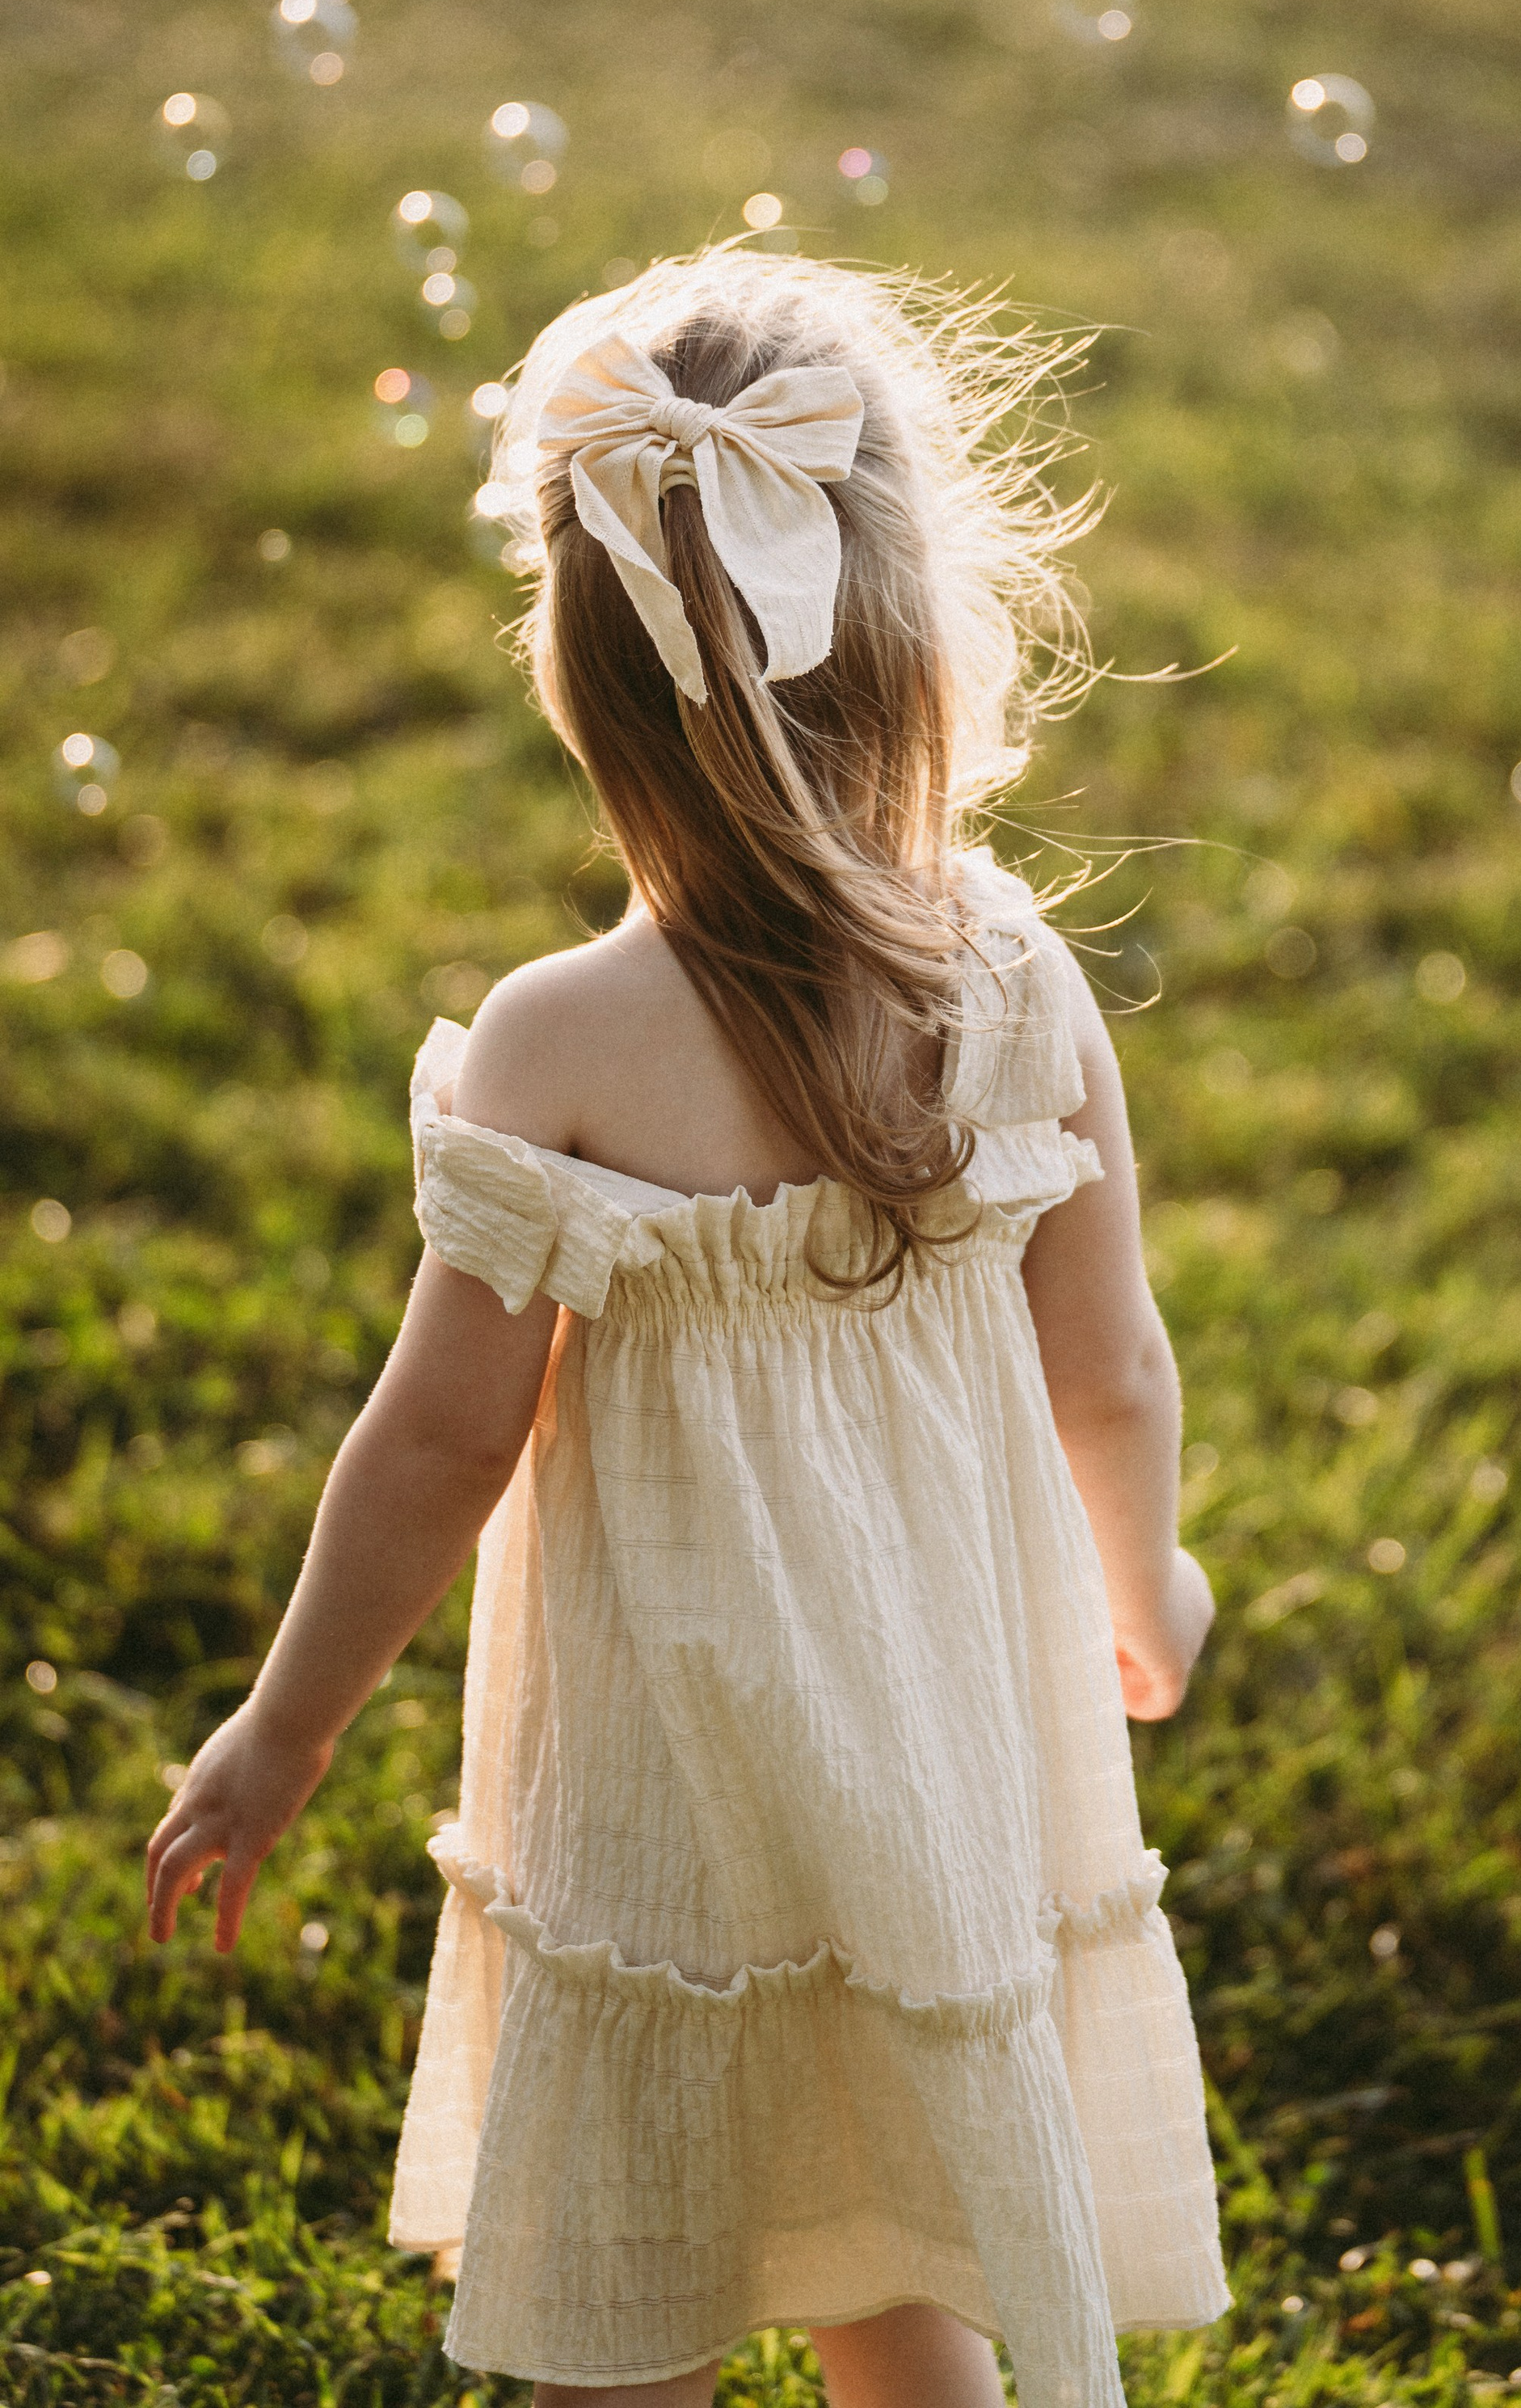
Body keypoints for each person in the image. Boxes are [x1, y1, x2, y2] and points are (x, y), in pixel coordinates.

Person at [144, 249, 1228, 2408]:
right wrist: (1147, 1581)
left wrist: (287, 1729)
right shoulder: (1013, 984)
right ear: (927, 639)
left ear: (580, 674)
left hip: (664, 1770)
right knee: (891, 2222)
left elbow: (437, 1446)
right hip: (925, 1752)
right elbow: (1107, 1359)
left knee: (626, 2264)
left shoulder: (560, 1045)